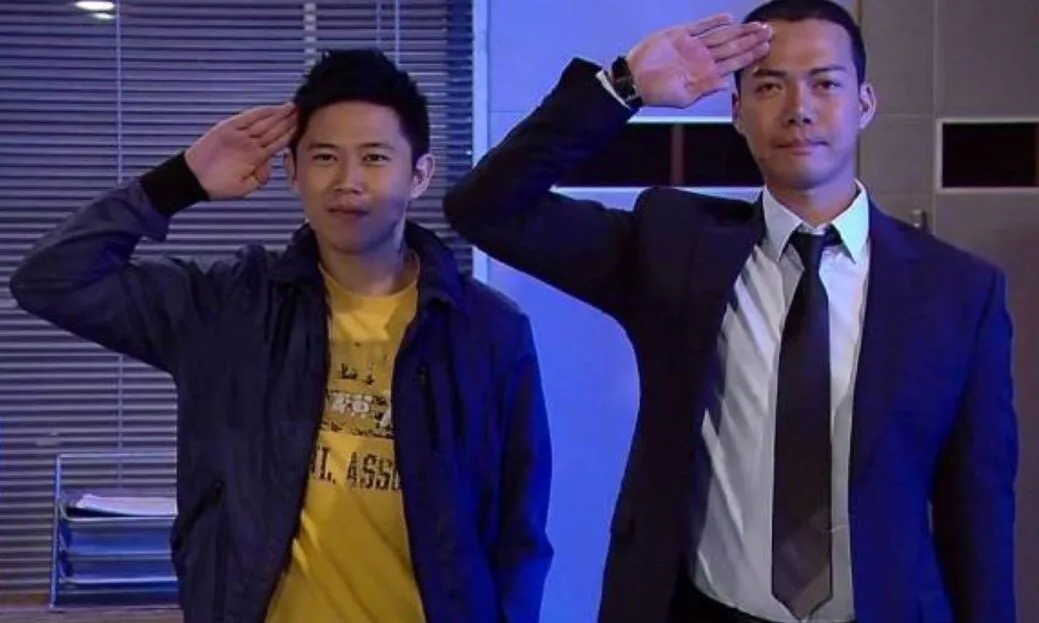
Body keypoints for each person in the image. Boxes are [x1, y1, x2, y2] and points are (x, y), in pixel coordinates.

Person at [443, 1, 1017, 622]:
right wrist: (622, 87)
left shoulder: (957, 292)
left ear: (865, 104)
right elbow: (486, 208)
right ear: (738, 111)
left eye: (825, 84)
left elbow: (978, 514)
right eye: (769, 86)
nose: (798, 108)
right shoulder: (674, 247)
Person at [10, 48, 552, 623]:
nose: (347, 181)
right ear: (292, 171)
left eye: (374, 157)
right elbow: (49, 280)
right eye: (324, 157)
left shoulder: (487, 331)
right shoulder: (230, 308)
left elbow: (519, 532)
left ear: (419, 174)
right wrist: (179, 182)